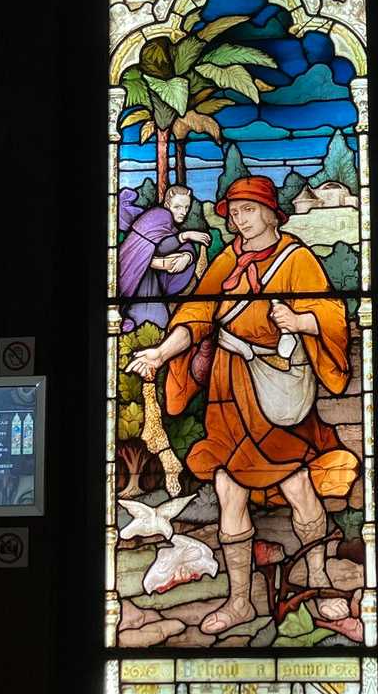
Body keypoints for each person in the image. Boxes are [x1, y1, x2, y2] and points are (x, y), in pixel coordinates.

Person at [126, 175, 358, 634]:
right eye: (233, 212)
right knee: (228, 486)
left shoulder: (296, 258)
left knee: (296, 482)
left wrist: (300, 321)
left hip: (276, 386)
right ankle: (240, 602)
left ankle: (319, 581)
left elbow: (332, 315)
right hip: (229, 385)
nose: (239, 219)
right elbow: (197, 314)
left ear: (271, 213)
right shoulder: (228, 259)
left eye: (248, 209)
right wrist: (161, 353)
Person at [118, 183, 209, 330]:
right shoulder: (160, 215)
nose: (183, 212)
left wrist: (187, 257)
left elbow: (180, 246)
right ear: (167, 204)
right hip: (136, 273)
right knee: (148, 317)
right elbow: (160, 247)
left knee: (156, 318)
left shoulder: (168, 223)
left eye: (186, 207)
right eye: (178, 207)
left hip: (147, 276)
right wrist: (185, 236)